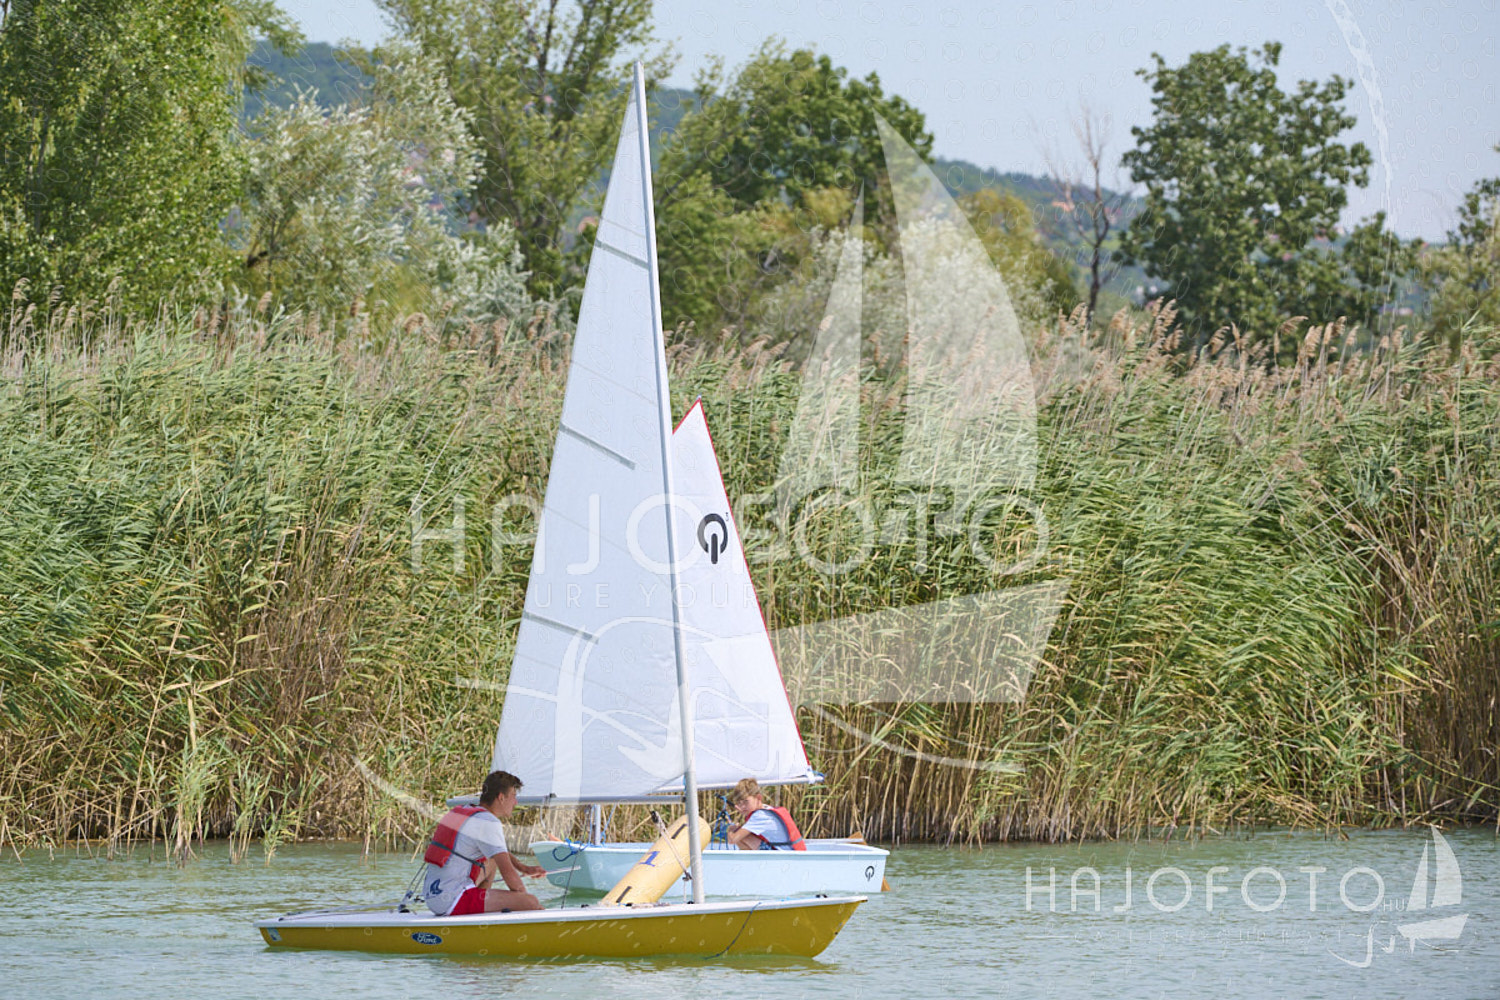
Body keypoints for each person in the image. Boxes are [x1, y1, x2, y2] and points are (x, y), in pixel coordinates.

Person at [421, 769, 546, 915]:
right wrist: (524, 900)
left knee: (491, 861)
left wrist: (523, 868)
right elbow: (508, 872)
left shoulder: (466, 811)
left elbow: (498, 853)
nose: (516, 802)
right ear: (501, 797)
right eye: (513, 796)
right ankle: (477, 908)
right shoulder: (488, 822)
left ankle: (479, 910)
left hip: (433, 897)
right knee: (531, 902)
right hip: (452, 900)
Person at [725, 777, 807, 851]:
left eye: (746, 802)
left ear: (758, 798)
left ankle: (750, 861)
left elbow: (732, 840)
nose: (743, 806)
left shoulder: (760, 816)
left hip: (783, 855)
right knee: (743, 834)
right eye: (739, 803)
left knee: (740, 835)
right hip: (789, 851)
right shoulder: (766, 810)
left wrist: (731, 829)